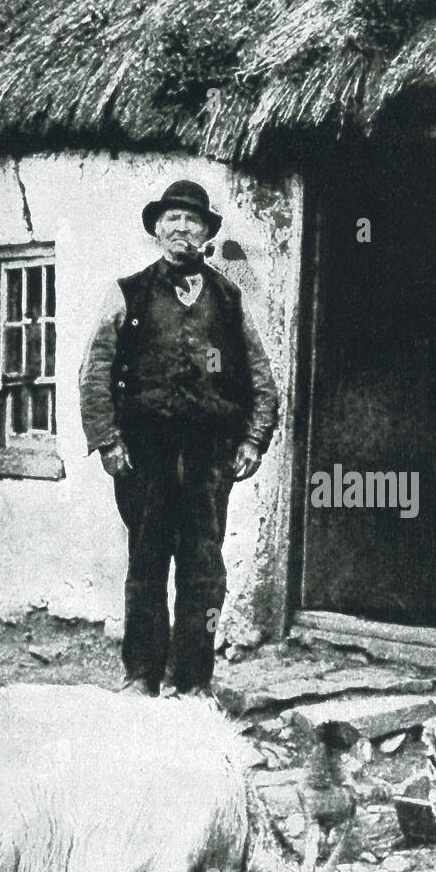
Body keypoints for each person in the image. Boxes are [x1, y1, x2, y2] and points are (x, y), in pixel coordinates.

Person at [79, 180, 278, 698]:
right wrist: (107, 440)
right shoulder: (128, 293)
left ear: (207, 233)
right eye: (172, 218)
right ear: (157, 228)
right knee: (147, 565)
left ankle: (192, 680)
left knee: (204, 572)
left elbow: (260, 375)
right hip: (145, 454)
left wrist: (254, 439)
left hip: (211, 457)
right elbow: (94, 371)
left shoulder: (229, 299)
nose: (182, 228)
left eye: (193, 221)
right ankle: (142, 675)